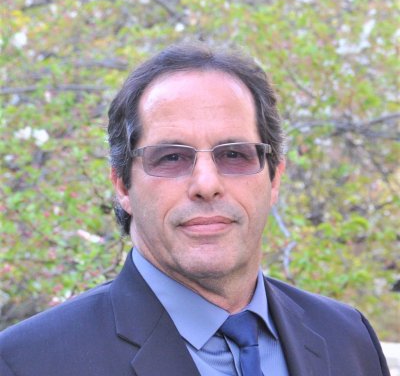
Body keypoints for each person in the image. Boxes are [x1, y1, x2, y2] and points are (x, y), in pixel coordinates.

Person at [0, 43, 390, 376]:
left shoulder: (348, 338)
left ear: (274, 179)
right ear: (122, 185)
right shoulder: (28, 362)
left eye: (234, 154)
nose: (206, 184)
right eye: (171, 157)